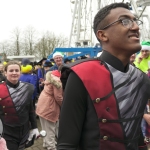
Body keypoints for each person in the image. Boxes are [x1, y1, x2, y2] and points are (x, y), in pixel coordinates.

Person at [57, 2, 150, 150]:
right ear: (102, 35)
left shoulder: (142, 79)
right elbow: (66, 144)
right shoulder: (82, 74)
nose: (136, 27)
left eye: (135, 21)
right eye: (125, 21)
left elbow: (134, 132)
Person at [0, 61, 39, 150]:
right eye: (11, 70)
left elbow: (31, 110)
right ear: (5, 73)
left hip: (24, 131)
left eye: (17, 70)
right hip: (7, 133)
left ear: (20, 72)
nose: (14, 73)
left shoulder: (28, 88)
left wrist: (34, 127)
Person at [36, 70, 63, 150]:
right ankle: (51, 147)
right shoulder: (57, 82)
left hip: (42, 105)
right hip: (50, 107)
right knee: (51, 130)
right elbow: (58, 98)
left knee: (45, 128)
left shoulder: (50, 78)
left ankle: (45, 143)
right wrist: (64, 106)